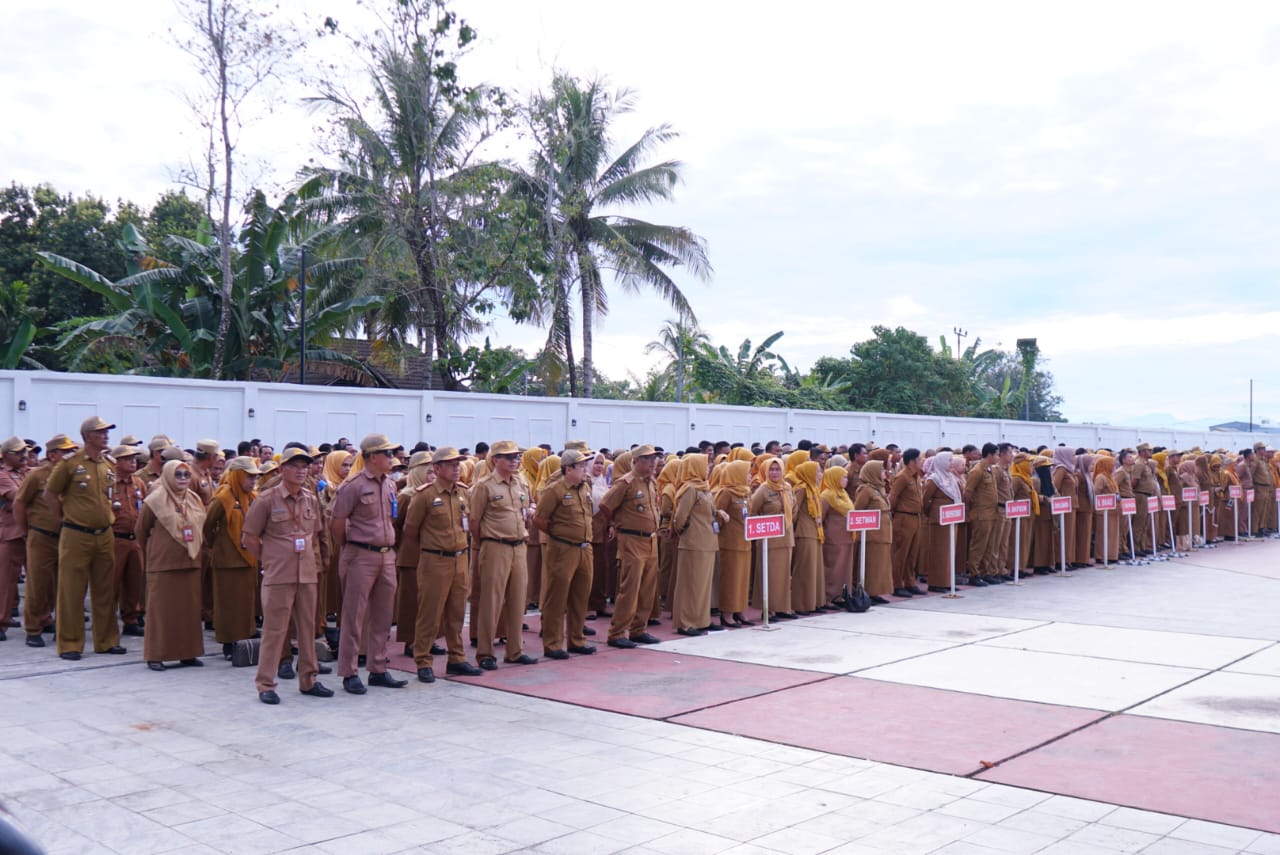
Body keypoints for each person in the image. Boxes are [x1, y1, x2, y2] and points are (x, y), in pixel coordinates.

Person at [243, 447, 332, 704]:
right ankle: (266, 684)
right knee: (274, 631)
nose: (301, 471)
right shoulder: (267, 499)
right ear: (282, 469)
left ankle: (309, 679)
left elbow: (316, 533)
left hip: (306, 574)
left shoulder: (310, 499)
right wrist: (270, 559)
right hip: (279, 575)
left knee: (307, 629)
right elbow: (249, 537)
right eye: (295, 466)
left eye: (305, 466)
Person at [329, 433, 407, 694]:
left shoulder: (389, 484)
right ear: (372, 457)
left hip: (386, 555)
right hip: (360, 554)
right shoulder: (353, 485)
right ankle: (349, 671)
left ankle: (378, 668)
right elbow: (337, 523)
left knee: (383, 615)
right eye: (388, 454)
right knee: (354, 616)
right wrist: (351, 547)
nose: (392, 458)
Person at [44, 416, 126, 660]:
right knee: (71, 591)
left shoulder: (108, 464)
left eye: (107, 432)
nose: (106, 436)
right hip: (76, 534)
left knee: (105, 590)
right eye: (101, 432)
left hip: (104, 534)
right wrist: (64, 520)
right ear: (88, 436)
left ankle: (106, 641)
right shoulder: (70, 463)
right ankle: (70, 643)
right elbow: (50, 494)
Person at [402, 447, 481, 682]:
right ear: (436, 468)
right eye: (451, 464)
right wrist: (432, 547)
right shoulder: (424, 495)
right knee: (430, 613)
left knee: (456, 612)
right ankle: (423, 660)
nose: (457, 468)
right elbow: (410, 530)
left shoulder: (463, 492)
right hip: (435, 560)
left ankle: (457, 658)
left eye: (458, 464)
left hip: (460, 558)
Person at [469, 440, 538, 670]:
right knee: (491, 601)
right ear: (495, 459)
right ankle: (485, 652)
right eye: (508, 457)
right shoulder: (484, 486)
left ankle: (515, 651)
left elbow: (526, 509)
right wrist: (486, 543)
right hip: (495, 545)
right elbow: (474, 522)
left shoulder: (520, 482)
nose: (514, 460)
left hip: (519, 546)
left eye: (516, 456)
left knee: (518, 600)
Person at [135, 459, 207, 671]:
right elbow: (141, 530)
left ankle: (188, 653)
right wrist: (156, 549)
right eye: (178, 475)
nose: (183, 479)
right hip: (164, 564)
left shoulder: (193, 498)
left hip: (190, 562)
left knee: (188, 611)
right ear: (167, 476)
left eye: (186, 475)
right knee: (161, 611)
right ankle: (156, 655)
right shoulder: (155, 499)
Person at [14, 434, 77, 646]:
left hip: (67, 535)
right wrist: (26, 531)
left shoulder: (73, 474)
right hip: (42, 536)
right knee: (38, 585)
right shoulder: (37, 475)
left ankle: (55, 623)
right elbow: (19, 503)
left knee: (64, 585)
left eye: (72, 451)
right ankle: (33, 629)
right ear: (52, 455)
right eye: (65, 452)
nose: (70, 455)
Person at [534, 449, 597, 657]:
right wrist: (559, 535)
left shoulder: (584, 487)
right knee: (557, 598)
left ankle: (576, 639)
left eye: (585, 466)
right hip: (563, 549)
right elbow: (539, 519)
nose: (585, 470)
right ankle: (552, 644)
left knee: (580, 596)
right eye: (581, 466)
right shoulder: (555, 490)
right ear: (568, 469)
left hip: (584, 548)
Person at [599, 445, 664, 646]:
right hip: (632, 539)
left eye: (654, 459)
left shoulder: (651, 481)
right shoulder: (626, 482)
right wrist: (617, 522)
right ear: (635, 461)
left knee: (647, 589)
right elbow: (605, 505)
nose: (653, 463)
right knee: (630, 588)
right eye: (648, 459)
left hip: (651, 540)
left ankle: (638, 629)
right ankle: (617, 633)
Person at [204, 456, 261, 659]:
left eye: (255, 478)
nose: (253, 482)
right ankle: (229, 641)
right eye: (249, 477)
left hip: (249, 559)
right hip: (228, 561)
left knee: (246, 601)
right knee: (228, 603)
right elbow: (208, 527)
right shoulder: (223, 498)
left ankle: (247, 634)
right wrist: (219, 546)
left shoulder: (253, 497)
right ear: (237, 476)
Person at [671, 454, 724, 635]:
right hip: (693, 544)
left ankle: (702, 620)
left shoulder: (704, 488)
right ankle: (685, 622)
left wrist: (719, 513)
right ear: (695, 467)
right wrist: (690, 532)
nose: (708, 468)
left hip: (708, 543)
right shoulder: (690, 489)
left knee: (703, 585)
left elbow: (708, 511)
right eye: (705, 465)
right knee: (690, 584)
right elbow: (680, 518)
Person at [394, 450, 433, 657]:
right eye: (428, 472)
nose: (432, 476)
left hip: (431, 554)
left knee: (429, 600)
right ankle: (410, 640)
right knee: (411, 601)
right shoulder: (406, 496)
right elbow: (395, 525)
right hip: (410, 556)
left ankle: (427, 639)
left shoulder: (432, 494)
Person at [748, 456, 796, 620]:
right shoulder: (763, 489)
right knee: (769, 575)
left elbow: (794, 508)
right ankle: (768, 609)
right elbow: (752, 511)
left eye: (777, 469)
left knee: (783, 575)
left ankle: (783, 607)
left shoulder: (787, 488)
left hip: (786, 536)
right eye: (771, 470)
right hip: (769, 539)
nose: (775, 473)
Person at [109, 444, 147, 638]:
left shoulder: (138, 483)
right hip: (115, 539)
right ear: (116, 462)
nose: (133, 462)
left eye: (133, 458)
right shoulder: (109, 483)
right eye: (127, 459)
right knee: (111, 582)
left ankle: (131, 619)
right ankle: (107, 622)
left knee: (134, 582)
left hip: (135, 539)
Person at [713, 459, 753, 626]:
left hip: (745, 541)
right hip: (730, 543)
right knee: (731, 579)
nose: (750, 476)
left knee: (742, 579)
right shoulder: (726, 492)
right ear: (737, 474)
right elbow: (716, 515)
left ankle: (739, 610)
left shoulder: (746, 492)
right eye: (747, 473)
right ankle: (727, 612)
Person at [922, 451, 963, 592]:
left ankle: (948, 581)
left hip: (952, 518)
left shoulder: (951, 478)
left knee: (949, 551)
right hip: (939, 520)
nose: (951, 463)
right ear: (941, 462)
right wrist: (932, 513)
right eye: (949, 460)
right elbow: (925, 500)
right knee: (940, 552)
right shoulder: (934, 479)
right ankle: (937, 583)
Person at [853, 459, 893, 604]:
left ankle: (876, 591)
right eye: (881, 470)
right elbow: (857, 510)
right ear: (873, 472)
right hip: (871, 535)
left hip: (883, 533)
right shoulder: (865, 490)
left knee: (880, 564)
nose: (884, 472)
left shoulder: (880, 488)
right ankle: (867, 591)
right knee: (872, 564)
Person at [0, 436, 27, 642]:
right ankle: (1, 620)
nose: (23, 456)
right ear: (6, 455)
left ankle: (43, 618)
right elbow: (19, 496)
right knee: (7, 581)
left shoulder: (25, 473)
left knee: (40, 579)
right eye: (18, 453)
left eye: (24, 452)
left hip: (31, 531)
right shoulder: (2, 475)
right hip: (11, 533)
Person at [789, 460, 825, 614]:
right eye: (817, 472)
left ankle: (814, 602)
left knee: (815, 569)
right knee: (804, 570)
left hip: (815, 531)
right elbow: (794, 511)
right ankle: (801, 604)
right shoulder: (802, 489)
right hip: (804, 533)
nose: (820, 475)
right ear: (809, 473)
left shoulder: (814, 488)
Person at [889, 448, 925, 596]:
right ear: (912, 461)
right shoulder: (902, 477)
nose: (921, 462)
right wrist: (895, 513)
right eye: (919, 459)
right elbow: (893, 497)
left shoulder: (916, 476)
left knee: (912, 553)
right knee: (901, 553)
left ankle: (910, 582)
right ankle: (897, 584)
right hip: (904, 517)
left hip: (916, 517)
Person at [819, 464, 855, 605]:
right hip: (833, 539)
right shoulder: (826, 496)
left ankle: (842, 595)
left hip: (847, 537)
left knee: (844, 568)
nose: (846, 480)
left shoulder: (843, 494)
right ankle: (830, 597)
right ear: (834, 478)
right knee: (833, 568)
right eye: (843, 477)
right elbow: (820, 517)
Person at [966, 443, 1002, 584]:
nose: (998, 457)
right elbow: (968, 492)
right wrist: (970, 510)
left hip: (992, 513)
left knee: (989, 546)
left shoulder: (990, 469)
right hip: (981, 514)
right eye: (997, 455)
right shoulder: (977, 470)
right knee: (979, 545)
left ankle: (985, 572)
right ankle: (974, 574)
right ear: (990, 455)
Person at [1093, 455, 1121, 563]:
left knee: (1112, 534)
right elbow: (1097, 492)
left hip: (1113, 510)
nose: (1114, 467)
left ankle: (1111, 555)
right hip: (1104, 511)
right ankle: (1101, 556)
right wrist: (1110, 497)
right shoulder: (1101, 477)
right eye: (1112, 465)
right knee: (1104, 534)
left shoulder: (1110, 477)